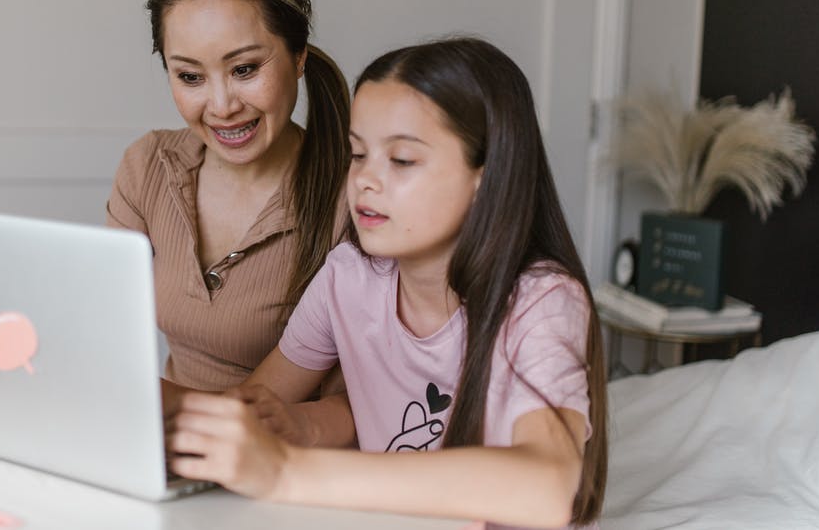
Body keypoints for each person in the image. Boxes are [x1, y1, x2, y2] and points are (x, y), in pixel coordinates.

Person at [168, 37, 608, 529]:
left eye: (401, 160)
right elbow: (259, 401)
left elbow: (549, 489)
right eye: (358, 155)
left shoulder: (541, 300)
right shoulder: (348, 278)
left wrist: (289, 470)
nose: (365, 181)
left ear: (486, 175)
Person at [105, 0, 351, 398]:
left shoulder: (355, 196)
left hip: (286, 457)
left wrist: (179, 414)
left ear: (298, 56)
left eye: (244, 70)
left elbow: (353, 408)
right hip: (169, 448)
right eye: (190, 77)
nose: (221, 106)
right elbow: (104, 333)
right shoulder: (148, 167)